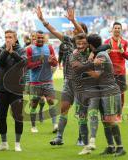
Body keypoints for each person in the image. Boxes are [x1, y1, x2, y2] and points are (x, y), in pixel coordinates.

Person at [35, 6, 87, 146]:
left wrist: (73, 21)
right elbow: (53, 31)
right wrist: (42, 20)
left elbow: (82, 32)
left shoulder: (86, 44)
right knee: (63, 109)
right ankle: (59, 137)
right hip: (68, 82)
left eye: (76, 30)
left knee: (81, 112)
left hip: (82, 83)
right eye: (74, 29)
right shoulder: (69, 41)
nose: (74, 31)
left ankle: (81, 138)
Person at [88, 34, 126, 157]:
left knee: (110, 120)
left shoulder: (101, 55)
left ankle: (120, 147)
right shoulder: (101, 53)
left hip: (109, 91)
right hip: (104, 91)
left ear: (90, 45)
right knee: (105, 121)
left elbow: (96, 75)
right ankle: (110, 146)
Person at [0, 30, 25, 152]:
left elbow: (23, 63)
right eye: (6, 37)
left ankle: (17, 144)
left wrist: (13, 53)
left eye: (10, 37)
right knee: (1, 116)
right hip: (1, 89)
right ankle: (4, 143)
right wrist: (7, 51)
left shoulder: (21, 50)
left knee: (18, 116)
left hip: (16, 89)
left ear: (15, 38)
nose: (8, 39)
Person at [26, 30, 58, 133]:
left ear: (44, 38)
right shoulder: (30, 49)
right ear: (34, 37)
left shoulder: (49, 47)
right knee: (34, 103)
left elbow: (55, 63)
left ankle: (55, 125)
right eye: (38, 37)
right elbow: (28, 65)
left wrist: (51, 61)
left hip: (48, 80)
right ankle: (33, 126)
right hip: (35, 82)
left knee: (51, 101)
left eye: (41, 37)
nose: (40, 39)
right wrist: (40, 61)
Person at [104, 22, 128, 122]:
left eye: (119, 28)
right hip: (109, 72)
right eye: (115, 28)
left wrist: (121, 51)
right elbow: (101, 55)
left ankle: (119, 114)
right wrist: (106, 52)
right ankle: (110, 114)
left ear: (121, 30)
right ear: (112, 29)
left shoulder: (125, 43)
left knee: (121, 94)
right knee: (109, 94)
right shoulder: (107, 42)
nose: (117, 29)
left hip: (121, 72)